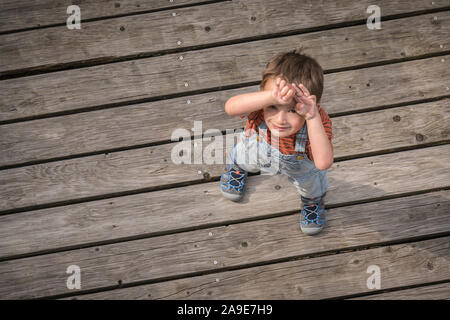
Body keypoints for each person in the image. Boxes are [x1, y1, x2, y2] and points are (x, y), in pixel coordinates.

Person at [220, 49, 334, 235]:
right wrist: (270, 97)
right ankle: (236, 168)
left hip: (301, 166)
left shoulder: (317, 121)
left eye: (292, 111)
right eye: (273, 107)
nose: (280, 119)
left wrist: (312, 117)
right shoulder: (261, 103)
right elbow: (230, 107)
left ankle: (312, 203)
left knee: (312, 186)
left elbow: (323, 162)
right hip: (260, 146)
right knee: (244, 156)